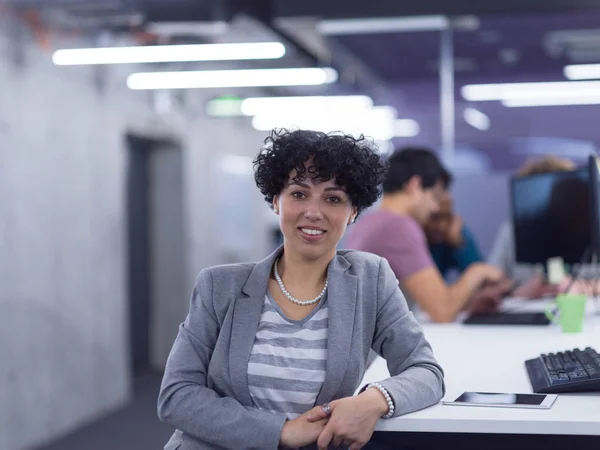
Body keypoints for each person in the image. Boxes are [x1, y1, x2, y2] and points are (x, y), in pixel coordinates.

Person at [158, 130, 445, 450]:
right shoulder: (219, 286)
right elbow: (177, 395)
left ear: (352, 212)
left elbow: (426, 372)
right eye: (298, 194)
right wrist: (280, 431)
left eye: (333, 198)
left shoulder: (371, 279)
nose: (313, 211)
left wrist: (373, 400)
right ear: (275, 201)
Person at [345, 147, 507, 323]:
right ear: (414, 186)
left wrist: (468, 303)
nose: (435, 207)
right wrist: (478, 271)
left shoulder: (370, 221)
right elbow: (442, 312)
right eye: (434, 196)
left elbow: (424, 303)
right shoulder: (398, 226)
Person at [488, 156, 575, 298]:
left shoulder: (590, 231)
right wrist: (517, 291)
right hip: (529, 310)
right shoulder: (512, 231)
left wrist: (583, 287)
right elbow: (490, 284)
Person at [425, 168, 483, 280]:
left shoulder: (454, 231)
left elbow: (483, 280)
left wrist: (458, 244)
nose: (442, 226)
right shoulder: (408, 236)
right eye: (435, 217)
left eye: (447, 216)